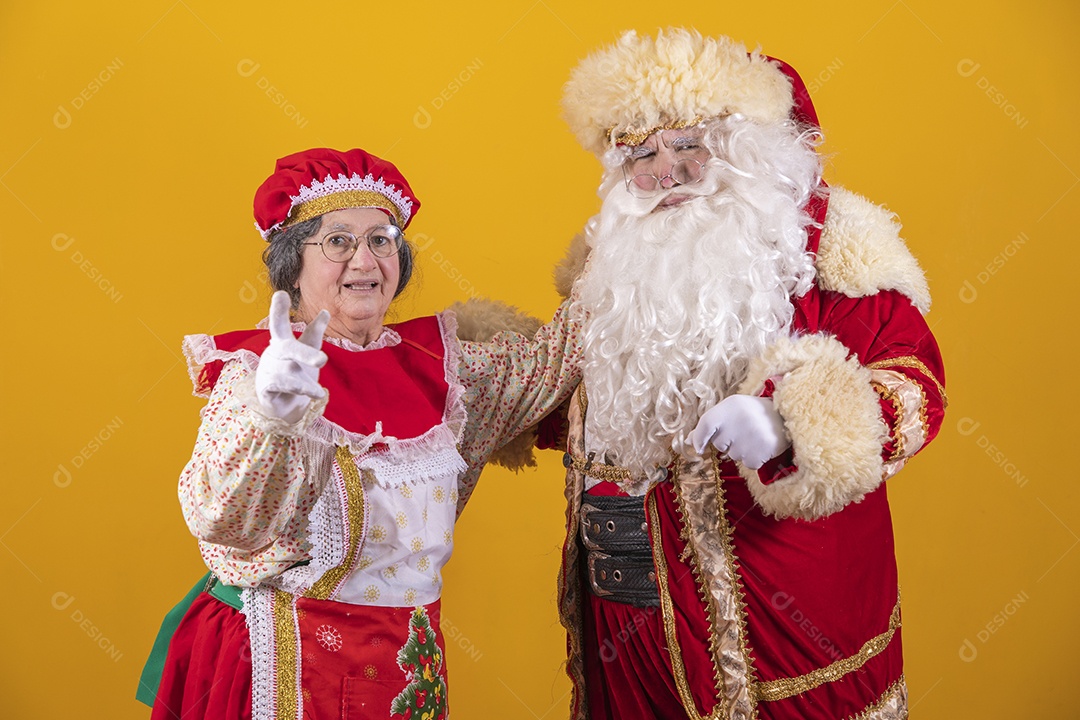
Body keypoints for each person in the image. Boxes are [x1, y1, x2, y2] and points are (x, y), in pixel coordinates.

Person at [552, 30, 946, 719]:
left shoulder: (824, 244)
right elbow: (560, 396)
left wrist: (793, 422)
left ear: (744, 147)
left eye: (687, 144)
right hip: (627, 622)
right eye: (640, 153)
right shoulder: (606, 264)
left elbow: (914, 385)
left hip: (779, 623)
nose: (665, 173)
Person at [146, 147, 583, 720]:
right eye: (337, 241)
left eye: (382, 239)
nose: (365, 259)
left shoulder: (448, 368)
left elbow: (562, 357)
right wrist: (274, 416)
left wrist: (640, 223)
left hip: (408, 664)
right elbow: (222, 520)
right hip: (283, 659)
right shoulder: (260, 372)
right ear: (290, 264)